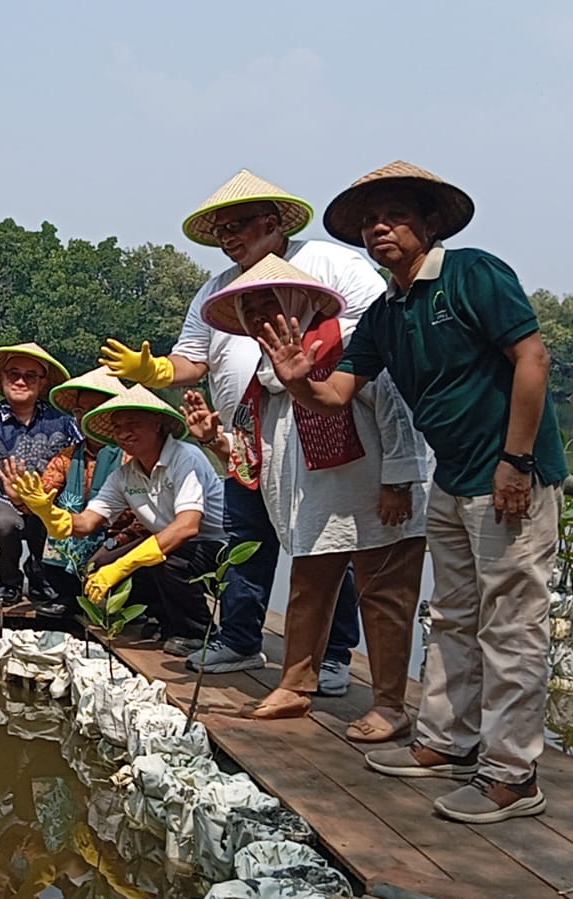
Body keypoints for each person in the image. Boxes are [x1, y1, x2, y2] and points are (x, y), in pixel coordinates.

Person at [262, 161, 566, 823]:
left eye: (395, 214)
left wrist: (515, 459)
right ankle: (446, 741)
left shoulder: (471, 275)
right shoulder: (385, 312)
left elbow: (532, 357)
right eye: (369, 221)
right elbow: (337, 392)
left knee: (511, 626)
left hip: (508, 477)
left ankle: (513, 776)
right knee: (453, 614)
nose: (379, 228)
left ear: (429, 223)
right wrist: (295, 380)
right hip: (452, 479)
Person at [102, 170, 381, 687]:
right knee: (245, 535)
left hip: (315, 422)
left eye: (238, 226)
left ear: (272, 223)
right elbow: (192, 359)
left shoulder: (325, 260)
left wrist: (307, 358)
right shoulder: (217, 290)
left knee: (324, 541)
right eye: (220, 232)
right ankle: (240, 639)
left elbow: (371, 321)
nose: (228, 239)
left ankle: (334, 654)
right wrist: (156, 372)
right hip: (246, 438)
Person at [192, 255, 428, 742]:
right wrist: (214, 441)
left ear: (300, 303)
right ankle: (295, 685)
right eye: (248, 306)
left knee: (383, 597)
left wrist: (398, 481)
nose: (258, 313)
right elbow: (259, 443)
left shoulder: (346, 342)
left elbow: (394, 410)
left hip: (374, 495)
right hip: (316, 502)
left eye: (268, 302)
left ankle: (389, 704)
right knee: (308, 591)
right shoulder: (265, 366)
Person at [9, 386, 226, 654]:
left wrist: (123, 565)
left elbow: (187, 526)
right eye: (118, 426)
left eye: (133, 424)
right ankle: (165, 619)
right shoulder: (126, 474)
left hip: (215, 546)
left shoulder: (185, 457)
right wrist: (47, 512)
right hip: (166, 542)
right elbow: (87, 523)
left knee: (165, 560)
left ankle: (198, 631)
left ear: (157, 423)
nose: (124, 432)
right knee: (100, 566)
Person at [0, 342, 79, 608]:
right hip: (2, 498)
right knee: (4, 525)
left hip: (47, 499)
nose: (20, 381)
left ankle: (40, 576)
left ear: (42, 383)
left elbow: (85, 449)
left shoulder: (62, 421)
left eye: (30, 376)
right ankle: (9, 583)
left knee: (53, 522)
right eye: (13, 374)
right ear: (3, 378)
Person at [31, 367, 131, 616]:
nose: (85, 418)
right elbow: (46, 488)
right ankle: (68, 596)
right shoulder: (69, 455)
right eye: (79, 411)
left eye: (93, 411)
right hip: (80, 524)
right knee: (52, 528)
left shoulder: (129, 456)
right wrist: (28, 496)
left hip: (120, 531)